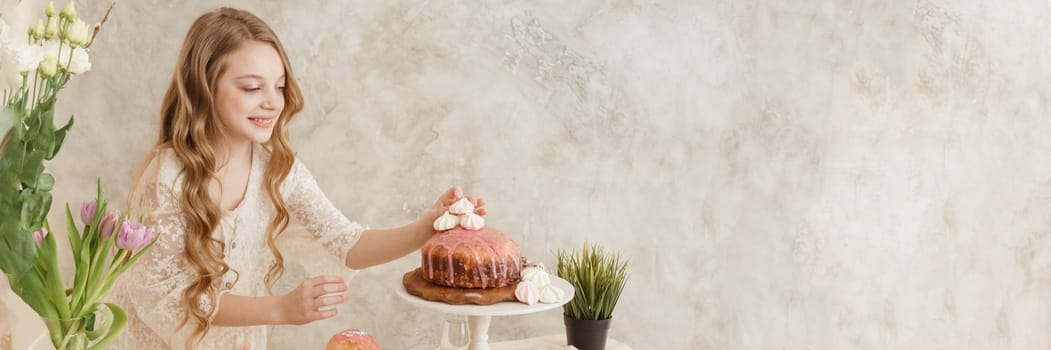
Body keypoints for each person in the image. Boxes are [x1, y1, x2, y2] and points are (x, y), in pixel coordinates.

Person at [109, 7, 484, 349]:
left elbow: (346, 243)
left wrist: (429, 226)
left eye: (280, 85)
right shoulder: (168, 176)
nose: (274, 102)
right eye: (252, 87)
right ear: (204, 88)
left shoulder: (276, 169)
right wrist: (281, 309)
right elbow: (169, 300)